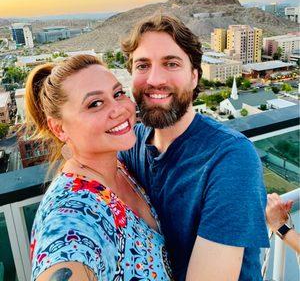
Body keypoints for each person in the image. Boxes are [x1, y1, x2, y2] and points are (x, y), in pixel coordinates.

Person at [120, 15, 269, 281]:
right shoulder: (130, 145)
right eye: (143, 65)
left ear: (193, 76)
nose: (154, 79)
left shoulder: (229, 158)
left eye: (171, 63)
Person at [26, 54, 172, 281]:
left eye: (117, 94)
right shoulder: (70, 215)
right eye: (95, 104)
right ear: (59, 129)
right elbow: (66, 251)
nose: (119, 109)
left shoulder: (121, 169)